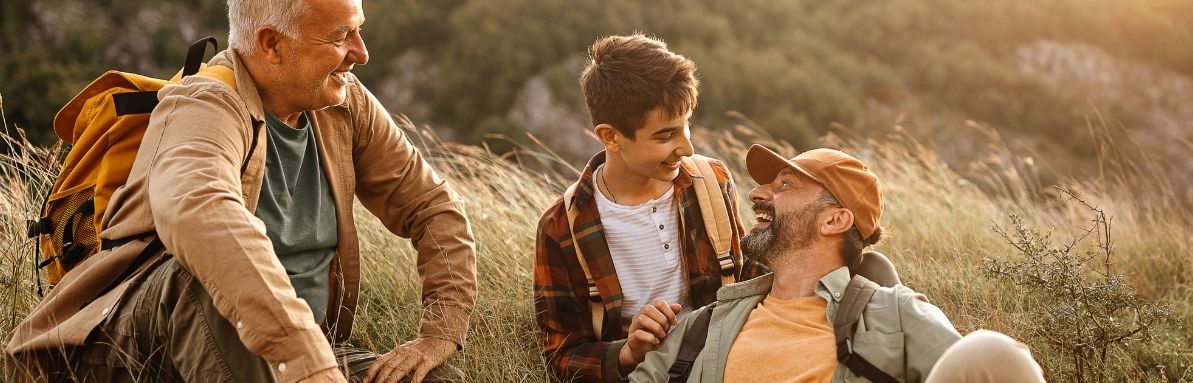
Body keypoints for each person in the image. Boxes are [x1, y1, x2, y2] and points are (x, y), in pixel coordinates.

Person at [6, 0, 477, 382]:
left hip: (286, 347)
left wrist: (439, 334)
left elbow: (432, 208)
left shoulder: (344, 103)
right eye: (339, 36)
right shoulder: (203, 105)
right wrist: (309, 363)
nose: (361, 52)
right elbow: (199, 212)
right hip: (132, 349)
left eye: (359, 29)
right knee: (203, 277)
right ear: (271, 44)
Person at [628, 145, 1046, 382]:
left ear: (834, 220)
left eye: (785, 186)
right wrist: (629, 352)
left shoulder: (892, 314)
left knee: (993, 352)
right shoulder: (699, 327)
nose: (757, 193)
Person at [532, 34, 764, 382]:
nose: (686, 147)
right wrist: (628, 351)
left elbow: (749, 280)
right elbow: (562, 357)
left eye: (687, 125)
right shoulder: (560, 228)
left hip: (732, 358)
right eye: (664, 136)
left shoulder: (712, 180)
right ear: (610, 137)